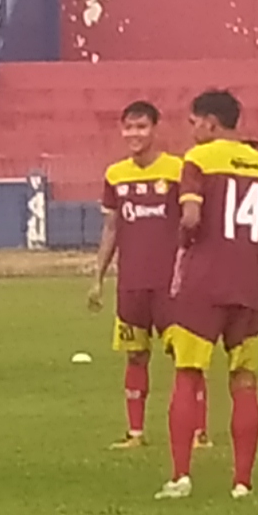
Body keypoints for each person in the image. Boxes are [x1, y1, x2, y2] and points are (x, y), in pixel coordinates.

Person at [160, 90, 258, 499]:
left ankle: (180, 476)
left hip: (205, 280)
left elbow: (192, 215)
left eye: (195, 122)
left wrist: (184, 243)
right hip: (248, 283)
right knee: (245, 380)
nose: (193, 130)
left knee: (188, 372)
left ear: (211, 123)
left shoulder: (197, 160)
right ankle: (242, 482)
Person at [88, 100, 183, 449]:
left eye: (142, 127)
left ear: (155, 130)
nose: (134, 134)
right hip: (131, 283)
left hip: (171, 282)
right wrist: (97, 276)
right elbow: (111, 228)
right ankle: (136, 433)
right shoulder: (115, 174)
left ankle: (198, 431)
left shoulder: (177, 170)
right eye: (129, 127)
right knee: (134, 354)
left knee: (183, 355)